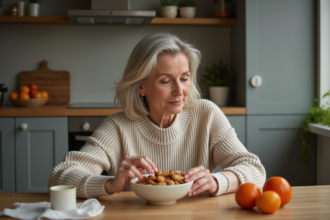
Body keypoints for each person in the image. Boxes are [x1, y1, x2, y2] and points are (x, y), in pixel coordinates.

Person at [49, 33, 266, 199]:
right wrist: (110, 184)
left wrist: (216, 181)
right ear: (141, 86)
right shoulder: (118, 127)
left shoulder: (207, 114)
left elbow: (254, 169)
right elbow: (60, 176)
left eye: (184, 78)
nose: (180, 91)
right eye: (166, 80)